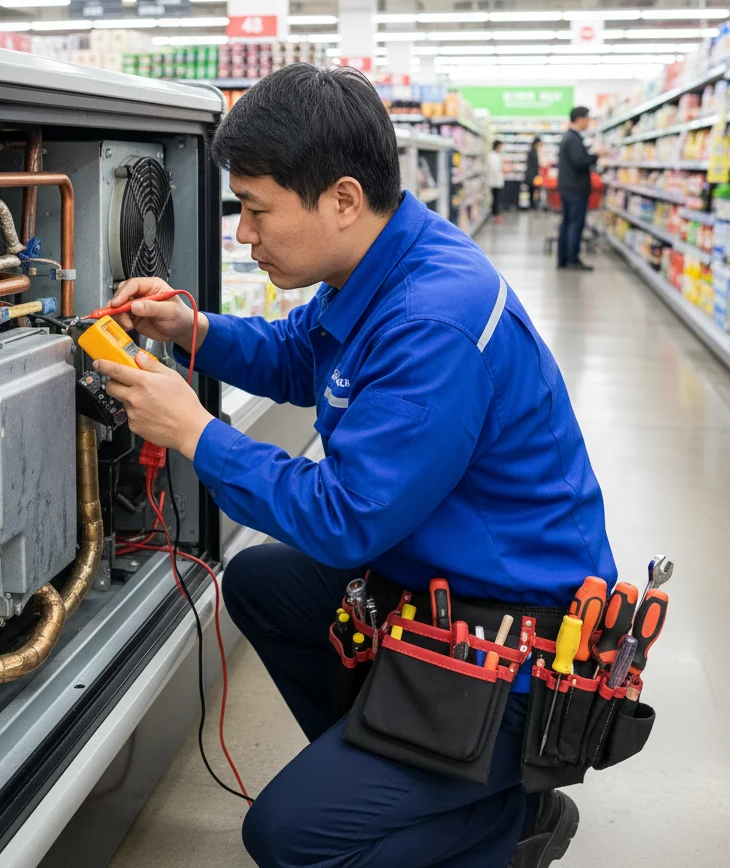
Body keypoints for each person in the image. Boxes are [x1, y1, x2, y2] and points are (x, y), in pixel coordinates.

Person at [92, 65, 614, 868]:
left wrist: (195, 431)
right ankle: (394, 775)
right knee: (262, 583)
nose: (243, 234)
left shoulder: (432, 319)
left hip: (516, 649)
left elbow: (345, 518)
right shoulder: (381, 260)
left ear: (340, 197)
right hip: (436, 590)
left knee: (287, 837)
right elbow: (304, 356)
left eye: (257, 210)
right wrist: (190, 327)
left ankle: (507, 822)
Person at [556, 107, 598, 270]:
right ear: (580, 119)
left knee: (567, 223)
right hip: (575, 188)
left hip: (568, 187)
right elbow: (580, 162)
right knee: (575, 224)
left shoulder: (568, 137)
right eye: (587, 119)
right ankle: (572, 259)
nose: (588, 123)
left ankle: (563, 259)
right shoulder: (574, 138)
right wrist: (596, 155)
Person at [489, 138, 506, 222]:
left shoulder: (496, 155)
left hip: (497, 180)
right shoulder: (492, 156)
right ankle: (495, 215)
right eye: (500, 146)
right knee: (495, 199)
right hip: (494, 181)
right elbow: (495, 169)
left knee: (496, 198)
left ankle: (496, 214)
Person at [525, 136, 542, 209]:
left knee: (531, 191)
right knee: (535, 190)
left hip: (530, 175)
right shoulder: (534, 152)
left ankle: (532, 204)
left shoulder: (531, 151)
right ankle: (533, 205)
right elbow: (535, 165)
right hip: (533, 175)